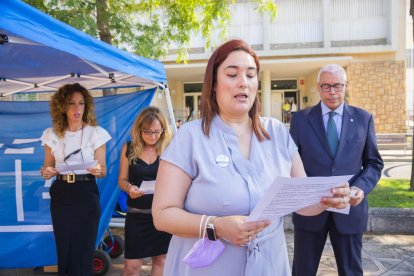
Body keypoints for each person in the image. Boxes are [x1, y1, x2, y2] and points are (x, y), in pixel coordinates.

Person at [152, 40, 351, 276]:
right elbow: (162, 214)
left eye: (250, 74)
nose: (243, 82)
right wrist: (216, 226)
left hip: (269, 265)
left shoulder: (277, 133)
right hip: (207, 269)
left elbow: (302, 200)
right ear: (214, 84)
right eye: (232, 74)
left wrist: (327, 199)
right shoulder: (190, 137)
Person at [290, 64, 384, 276]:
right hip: (310, 210)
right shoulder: (300, 120)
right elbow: (290, 161)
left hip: (349, 209)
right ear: (318, 87)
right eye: (326, 86)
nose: (332, 91)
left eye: (337, 86)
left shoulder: (363, 118)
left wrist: (361, 188)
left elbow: (374, 163)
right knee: (302, 271)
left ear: (345, 86)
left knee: (351, 272)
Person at [40, 83, 111, 276]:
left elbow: (103, 170)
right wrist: (46, 172)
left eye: (81, 103)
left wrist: (98, 170)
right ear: (62, 106)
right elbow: (47, 166)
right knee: (65, 248)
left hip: (86, 192)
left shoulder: (96, 133)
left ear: (86, 106)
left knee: (83, 249)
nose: (77, 108)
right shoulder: (51, 134)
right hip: (62, 192)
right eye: (71, 103)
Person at [118, 106, 172, 276]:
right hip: (137, 215)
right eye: (148, 132)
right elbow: (122, 180)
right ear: (139, 129)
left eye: (157, 132)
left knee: (162, 260)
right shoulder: (129, 148)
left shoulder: (169, 148)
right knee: (131, 267)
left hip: (162, 215)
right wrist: (129, 188)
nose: (153, 136)